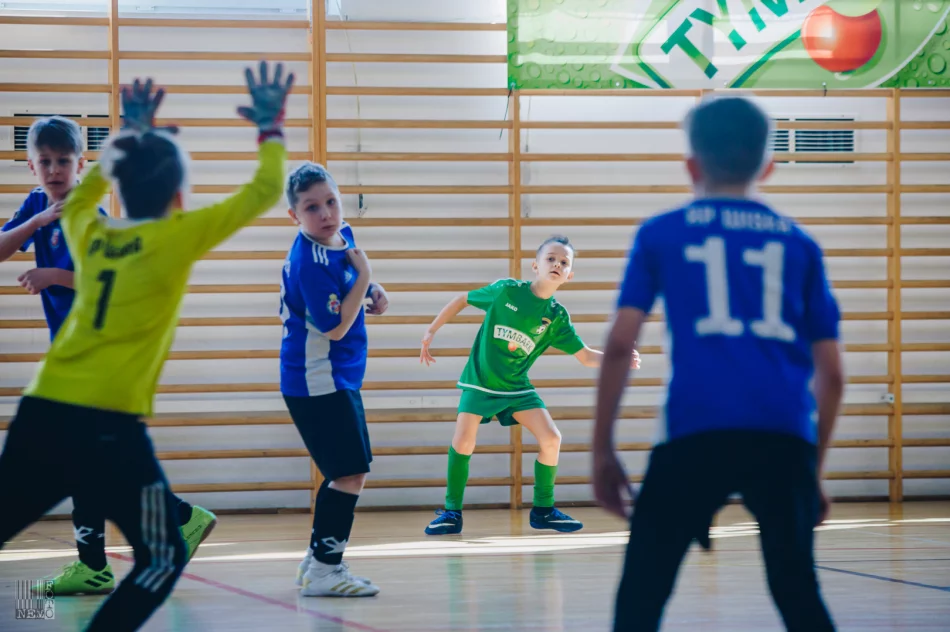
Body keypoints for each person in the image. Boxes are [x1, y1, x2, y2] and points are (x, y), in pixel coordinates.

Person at [0, 61, 291, 631]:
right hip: (109, 415)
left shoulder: (86, 223)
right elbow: (261, 192)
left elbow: (83, 198)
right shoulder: (171, 241)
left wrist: (130, 131)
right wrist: (270, 128)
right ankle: (154, 536)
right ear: (180, 199)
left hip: (50, 403)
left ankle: (95, 564)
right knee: (159, 559)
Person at [593, 95, 843, 632]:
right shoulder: (801, 245)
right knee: (797, 590)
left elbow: (618, 346)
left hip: (694, 434)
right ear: (767, 167)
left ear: (691, 166)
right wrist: (810, 469)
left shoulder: (661, 233)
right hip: (783, 437)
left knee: (642, 592)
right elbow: (834, 374)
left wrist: (602, 449)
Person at [1, 115, 216, 597]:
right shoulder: (39, 206)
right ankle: (161, 527)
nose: (54, 170)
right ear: (32, 166)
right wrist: (34, 223)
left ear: (82, 164)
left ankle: (117, 552)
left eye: (64, 161)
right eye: (45, 162)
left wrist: (53, 276)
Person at [421, 236, 640, 535]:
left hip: (516, 387)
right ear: (535, 265)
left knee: (551, 438)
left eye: (564, 263)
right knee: (463, 442)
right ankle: (451, 512)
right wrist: (431, 331)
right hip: (481, 382)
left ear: (569, 276)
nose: (557, 265)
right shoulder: (506, 290)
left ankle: (543, 510)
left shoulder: (556, 317)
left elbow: (586, 356)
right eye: (551, 259)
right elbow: (462, 299)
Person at [279, 162, 388, 597]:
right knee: (350, 474)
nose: (325, 213)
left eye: (331, 202)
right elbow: (336, 328)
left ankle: (317, 560)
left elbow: (356, 283)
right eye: (311, 207)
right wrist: (364, 279)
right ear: (295, 216)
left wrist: (373, 289)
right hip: (316, 379)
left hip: (338, 376)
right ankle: (326, 569)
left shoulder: (342, 237)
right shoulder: (307, 261)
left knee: (344, 472)